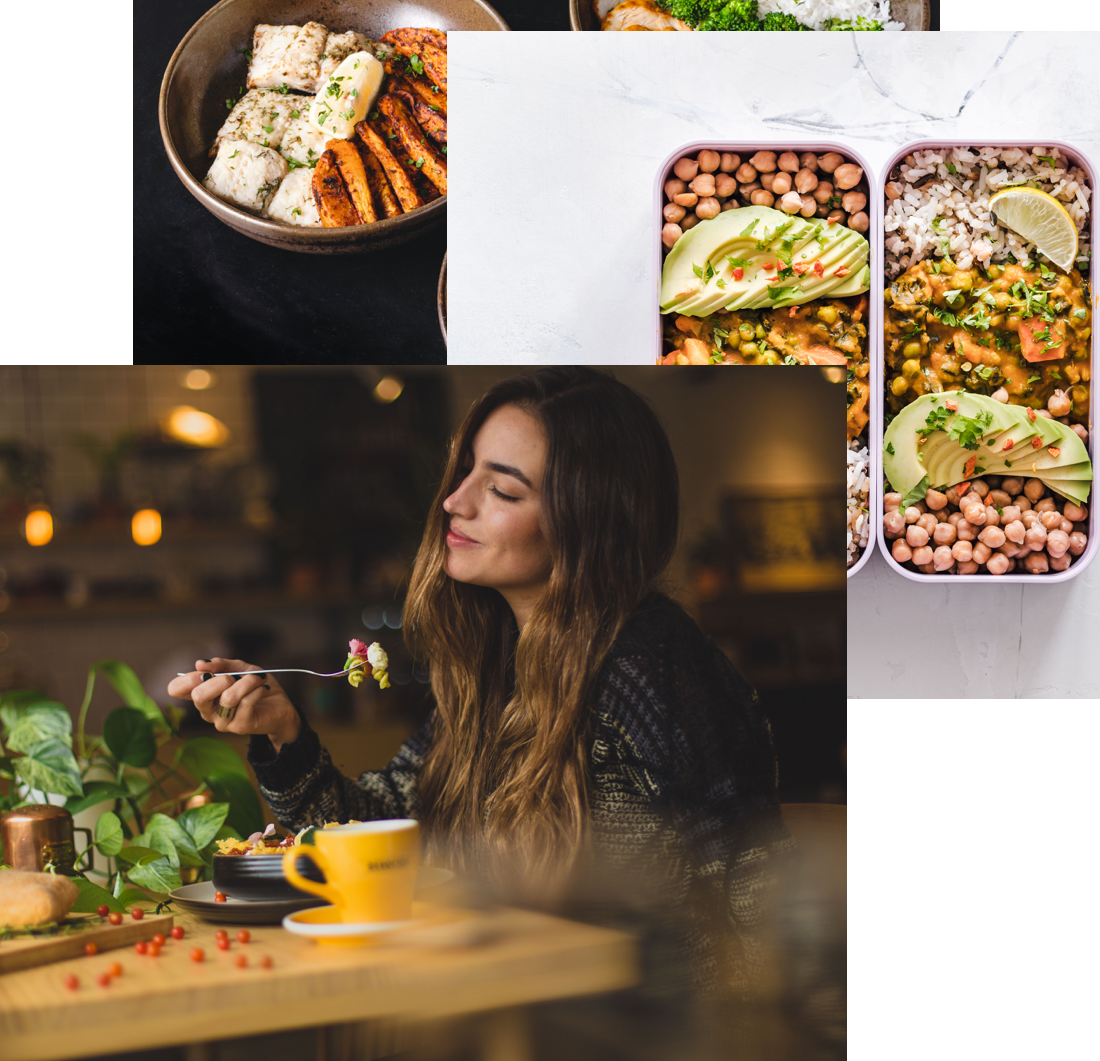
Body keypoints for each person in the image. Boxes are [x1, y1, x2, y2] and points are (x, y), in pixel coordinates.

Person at [167, 368, 789, 990]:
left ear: (588, 522)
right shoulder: (500, 665)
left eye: (505, 492)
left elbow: (758, 895)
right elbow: (389, 830)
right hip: (514, 1009)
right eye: (466, 471)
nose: (454, 501)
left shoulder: (651, 666)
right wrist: (283, 732)